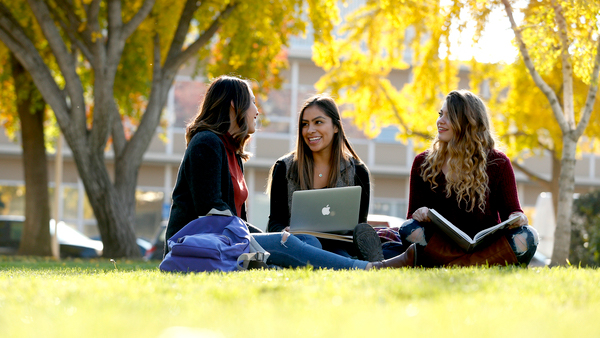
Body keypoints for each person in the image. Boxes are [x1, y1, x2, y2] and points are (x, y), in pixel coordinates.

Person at [164, 75, 381, 270]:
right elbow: (211, 211)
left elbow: (236, 220)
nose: (256, 111)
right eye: (253, 102)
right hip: (196, 244)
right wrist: (272, 238)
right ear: (234, 105)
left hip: (228, 239)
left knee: (307, 241)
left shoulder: (232, 152)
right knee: (287, 242)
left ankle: (279, 265)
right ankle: (366, 267)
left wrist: (269, 237)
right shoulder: (207, 142)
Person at [371, 90, 539, 268]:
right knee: (408, 229)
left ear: (468, 123)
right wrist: (420, 213)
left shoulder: (498, 163)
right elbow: (412, 217)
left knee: (528, 235)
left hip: (487, 246)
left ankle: (453, 264)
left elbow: (512, 213)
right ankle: (477, 265)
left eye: (449, 116)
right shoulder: (423, 163)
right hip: (441, 246)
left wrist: (518, 217)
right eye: (440, 114)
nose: (440, 121)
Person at [266, 95, 384, 262]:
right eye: (305, 124)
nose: (310, 130)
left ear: (336, 127)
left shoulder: (358, 171)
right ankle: (366, 265)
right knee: (312, 246)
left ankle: (363, 261)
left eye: (318, 122)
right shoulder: (284, 168)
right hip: (299, 244)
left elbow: (359, 227)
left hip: (340, 246)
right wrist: (284, 230)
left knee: (340, 253)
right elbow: (275, 222)